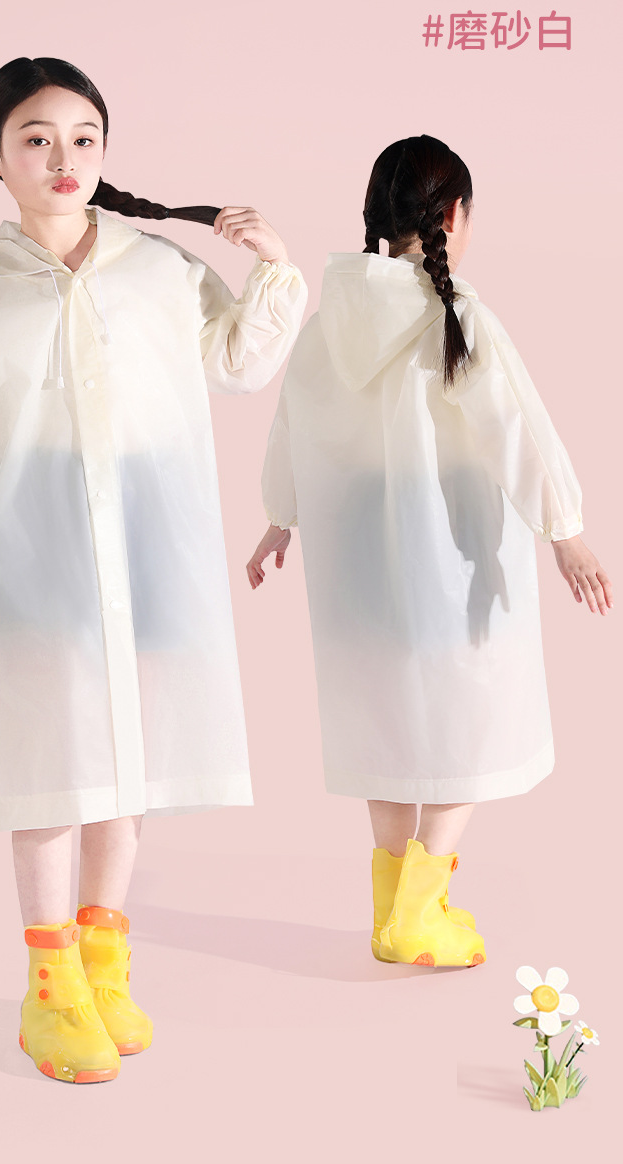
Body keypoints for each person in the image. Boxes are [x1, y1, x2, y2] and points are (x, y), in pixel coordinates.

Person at [0, 56, 307, 1083]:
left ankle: (104, 964)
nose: (64, 158)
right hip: (36, 561)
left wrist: (274, 271)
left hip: (151, 550)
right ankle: (50, 988)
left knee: (127, 765)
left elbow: (236, 363)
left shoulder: (160, 268)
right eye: (37, 139)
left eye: (84, 138)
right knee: (49, 769)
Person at [247, 134, 611, 969]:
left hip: (356, 567)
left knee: (386, 726)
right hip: (451, 555)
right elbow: (517, 428)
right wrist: (566, 531)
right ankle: (420, 911)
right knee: (465, 725)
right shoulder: (457, 314)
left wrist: (280, 518)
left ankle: (391, 914)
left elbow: (292, 424)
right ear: (454, 217)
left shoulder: (328, 323)